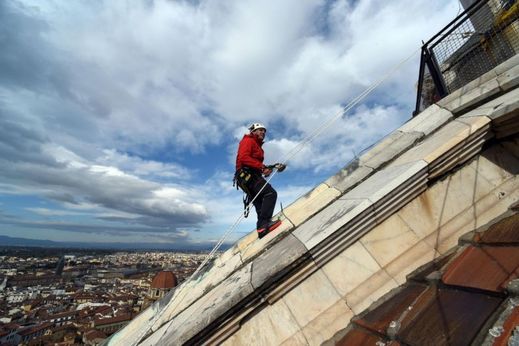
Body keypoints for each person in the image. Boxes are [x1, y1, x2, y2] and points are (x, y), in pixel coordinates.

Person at [235, 122, 285, 239]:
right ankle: (263, 225)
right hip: (247, 176)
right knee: (270, 193)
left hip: (249, 177)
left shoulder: (258, 146)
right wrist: (262, 167)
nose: (263, 132)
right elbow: (243, 157)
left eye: (264, 131)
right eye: (260, 130)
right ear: (253, 131)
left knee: (260, 204)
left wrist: (264, 170)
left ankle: (262, 230)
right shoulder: (248, 140)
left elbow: (253, 163)